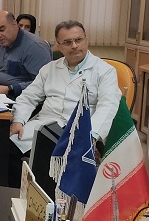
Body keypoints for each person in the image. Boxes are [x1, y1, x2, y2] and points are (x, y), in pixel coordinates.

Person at [8, 20, 121, 187]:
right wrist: (18, 120)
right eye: (67, 42)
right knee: (6, 149)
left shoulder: (104, 71)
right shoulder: (49, 69)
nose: (74, 46)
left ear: (86, 40)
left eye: (78, 40)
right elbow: (29, 97)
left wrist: (92, 135)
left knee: (47, 160)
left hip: (79, 132)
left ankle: (50, 199)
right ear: (59, 46)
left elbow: (108, 105)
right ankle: (18, 193)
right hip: (44, 126)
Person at [0, 10, 52, 98]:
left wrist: (11, 89)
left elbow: (44, 83)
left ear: (14, 25)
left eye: (1, 29)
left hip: (24, 99)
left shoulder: (36, 47)